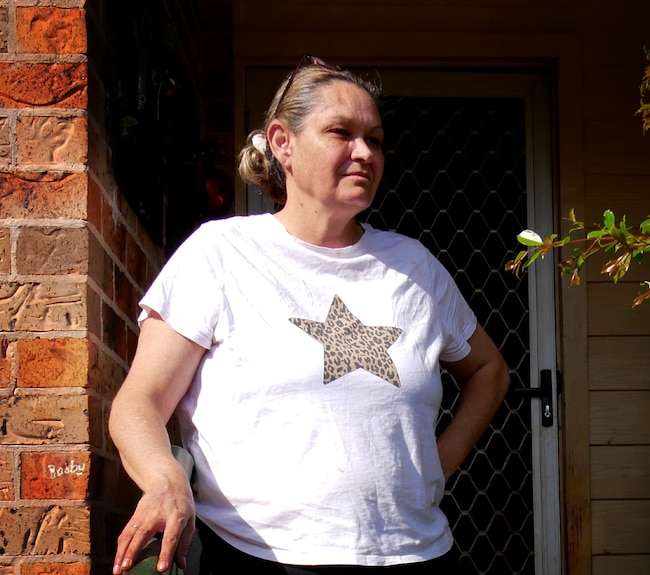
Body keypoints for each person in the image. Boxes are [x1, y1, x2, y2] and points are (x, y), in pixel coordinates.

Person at [108, 55, 510, 575]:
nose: (364, 152)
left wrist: (437, 466)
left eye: (376, 139)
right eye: (341, 132)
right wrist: (166, 482)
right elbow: (138, 403)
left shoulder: (415, 267)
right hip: (259, 556)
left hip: (415, 553)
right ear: (282, 142)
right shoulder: (221, 254)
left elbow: (489, 370)